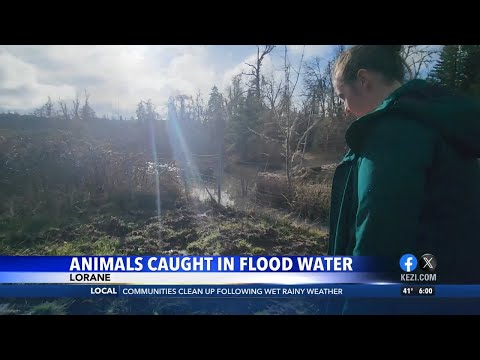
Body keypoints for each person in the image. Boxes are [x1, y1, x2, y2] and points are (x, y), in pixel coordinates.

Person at [327, 45, 480, 314]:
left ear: (363, 80)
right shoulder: (438, 123)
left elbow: (378, 241)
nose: (346, 109)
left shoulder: (392, 133)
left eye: (342, 96)